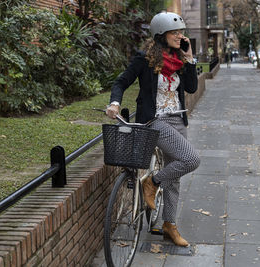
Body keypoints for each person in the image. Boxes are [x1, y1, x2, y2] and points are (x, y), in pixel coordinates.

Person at [106, 11, 200, 247]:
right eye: (175, 32)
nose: (180, 36)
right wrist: (115, 102)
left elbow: (190, 88)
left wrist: (189, 59)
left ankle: (169, 224)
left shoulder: (179, 60)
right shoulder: (144, 59)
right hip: (155, 120)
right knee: (191, 159)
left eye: (181, 32)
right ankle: (152, 182)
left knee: (175, 175)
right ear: (161, 35)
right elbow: (121, 82)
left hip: (178, 120)